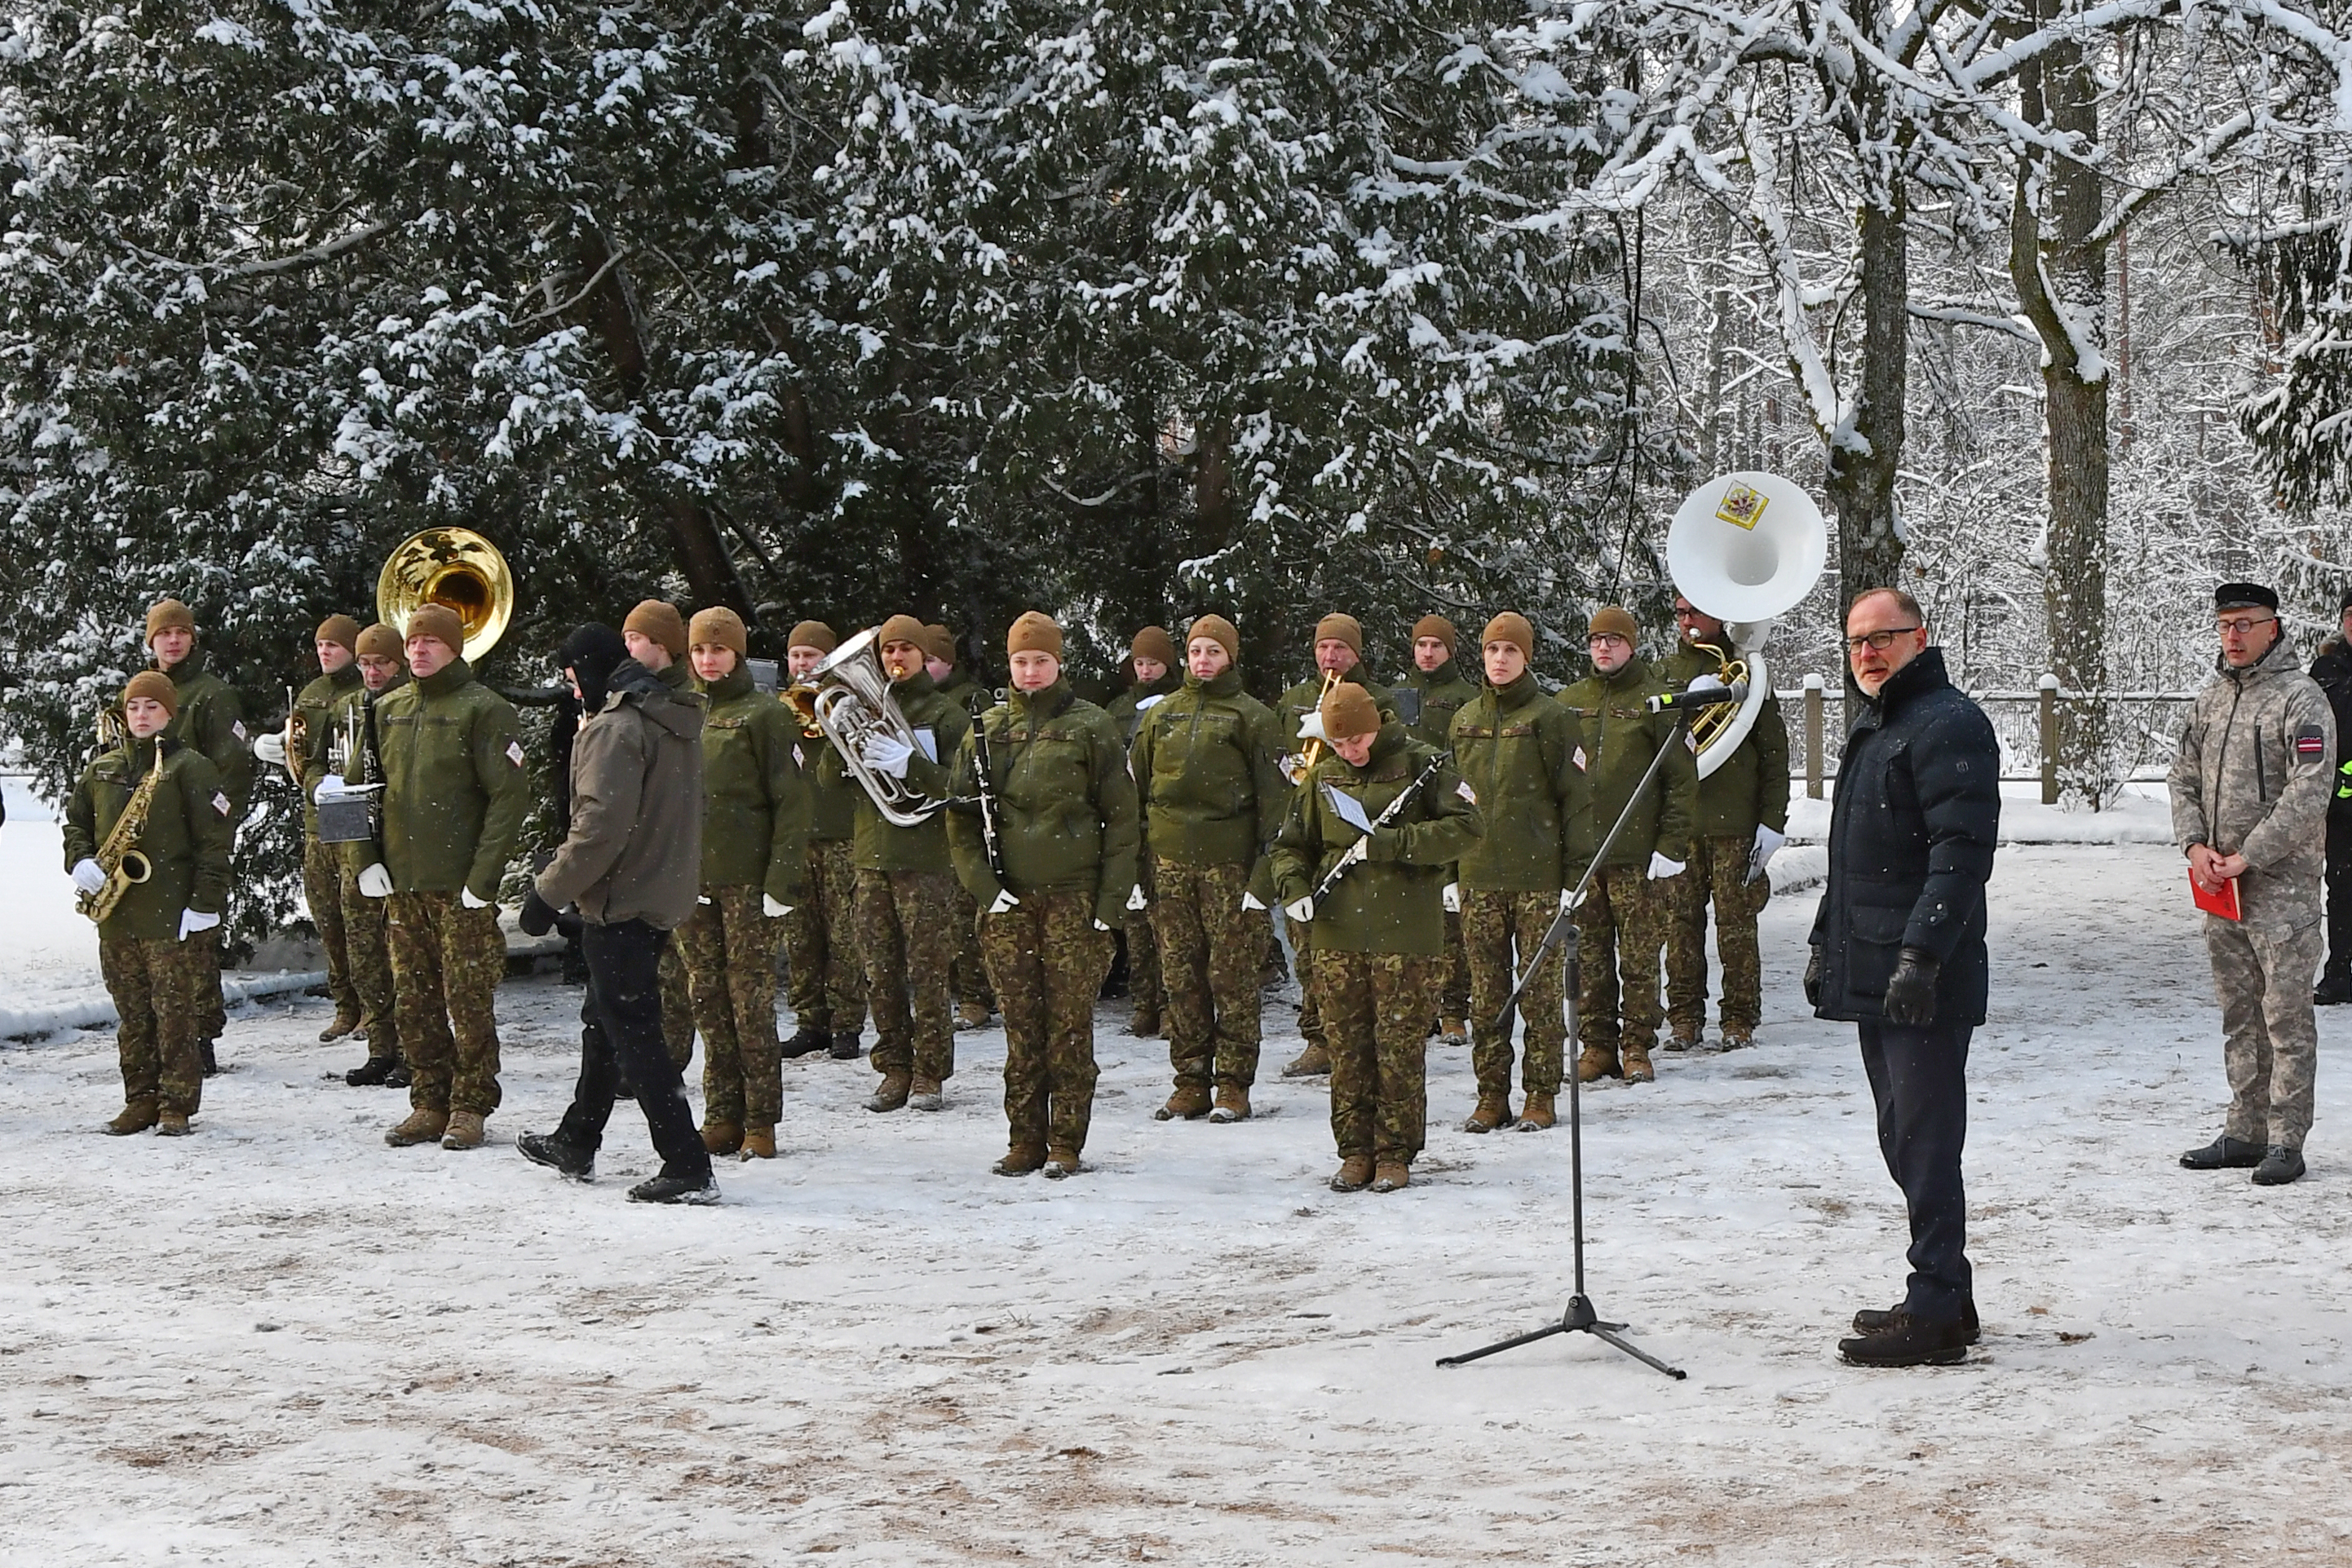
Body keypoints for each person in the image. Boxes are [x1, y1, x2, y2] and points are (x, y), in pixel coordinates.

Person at [1809, 586, 2000, 1368]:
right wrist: (1827, 941)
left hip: (1924, 973)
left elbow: (1961, 855)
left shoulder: (1949, 721)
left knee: (1925, 1140)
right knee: (1901, 1136)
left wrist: (1922, 955)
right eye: (1856, 640)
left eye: (1884, 637)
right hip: (1872, 966)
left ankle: (1933, 1312)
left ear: (1920, 637)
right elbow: (1850, 860)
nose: (1868, 652)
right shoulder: (1878, 723)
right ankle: (1948, 1293)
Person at [516, 625, 716, 1204]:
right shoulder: (669, 717)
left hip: (620, 899)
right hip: (657, 890)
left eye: (572, 676)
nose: (571, 688)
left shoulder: (616, 728)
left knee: (633, 1031)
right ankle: (578, 1136)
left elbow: (599, 828)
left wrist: (547, 893)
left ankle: (685, 1161)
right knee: (605, 1018)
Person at [948, 611, 1138, 1177]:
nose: (1030, 671)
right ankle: (1025, 1138)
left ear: (1059, 663)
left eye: (1041, 660)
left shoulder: (1091, 726)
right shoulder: (985, 727)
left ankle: (1065, 1141)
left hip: (1073, 900)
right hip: (1008, 905)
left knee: (1069, 1026)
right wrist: (984, 888)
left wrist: (1110, 905)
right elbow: (959, 820)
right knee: (1021, 1026)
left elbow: (1123, 820)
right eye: (1020, 661)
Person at [1271, 682, 1480, 1192]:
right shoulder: (1321, 777)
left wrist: (1392, 845)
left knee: (1399, 1048)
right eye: (1340, 743)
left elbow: (1468, 827)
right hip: (1337, 934)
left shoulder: (1421, 764)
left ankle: (1395, 1151)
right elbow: (1289, 846)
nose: (1351, 751)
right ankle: (1354, 1150)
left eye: (1358, 739)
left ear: (1378, 724)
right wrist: (1293, 885)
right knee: (1346, 1048)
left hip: (1405, 933)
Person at [2172, 582, 2334, 1189]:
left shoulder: (2302, 699)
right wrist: (2195, 845)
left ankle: (2287, 1136)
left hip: (2280, 891)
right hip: (2220, 889)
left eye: (2245, 624)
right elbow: (2181, 774)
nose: (2233, 636)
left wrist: (2249, 855)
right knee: (2239, 1012)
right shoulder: (2211, 700)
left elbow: (2309, 791)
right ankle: (2246, 1129)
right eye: (2225, 625)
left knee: (2285, 1016)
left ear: (2273, 627)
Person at [358, 603, 529, 1152]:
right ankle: (428, 1100)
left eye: (431, 642)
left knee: (468, 996)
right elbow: (357, 792)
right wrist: (366, 860)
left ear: (455, 647)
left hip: (460, 886)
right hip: (402, 885)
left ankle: (471, 1104)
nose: (419, 651)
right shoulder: (387, 709)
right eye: (413, 643)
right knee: (414, 997)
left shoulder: (484, 709)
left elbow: (508, 797)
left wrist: (483, 877)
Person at [1129, 614, 1289, 1122]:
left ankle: (1234, 1084)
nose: (1203, 661)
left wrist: (1264, 878)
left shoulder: (1253, 717)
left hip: (1231, 870)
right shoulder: (1161, 715)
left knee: (1233, 977)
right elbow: (1135, 792)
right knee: (1181, 976)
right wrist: (1137, 870)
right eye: (1196, 651)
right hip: (1169, 867)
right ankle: (1190, 1078)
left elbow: (1277, 803)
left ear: (1230, 657)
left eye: (1213, 652)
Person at [64, 673, 234, 1136]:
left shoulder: (190, 767)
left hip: (171, 914)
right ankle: (139, 1098)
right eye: (134, 707)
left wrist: (204, 903)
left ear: (170, 713)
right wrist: (78, 860)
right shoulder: (104, 767)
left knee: (175, 1013)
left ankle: (176, 1104)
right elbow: (76, 822)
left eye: (151, 707)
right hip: (117, 914)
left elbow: (214, 843)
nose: (141, 715)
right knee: (133, 1015)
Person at [677, 606, 808, 1159]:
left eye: (719, 649)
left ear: (737, 652)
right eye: (700, 650)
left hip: (747, 880)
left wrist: (780, 879)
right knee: (707, 997)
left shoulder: (765, 714)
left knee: (749, 1000)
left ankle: (760, 1119)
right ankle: (721, 1112)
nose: (709, 660)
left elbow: (792, 802)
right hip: (691, 880)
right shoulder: (678, 711)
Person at [1450, 612, 1588, 1133]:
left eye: (1511, 651)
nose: (1501, 660)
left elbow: (1576, 802)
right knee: (1487, 994)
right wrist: (1448, 871)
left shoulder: (1552, 718)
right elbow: (1449, 801)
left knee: (1539, 993)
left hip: (1537, 879)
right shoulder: (1463, 718)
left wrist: (1573, 877)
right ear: (1482, 657)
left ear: (1526, 657)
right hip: (1478, 877)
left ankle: (1540, 1093)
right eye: (1492, 651)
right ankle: (1491, 1095)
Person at [1555, 606, 1697, 1085]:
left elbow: (1681, 780)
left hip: (1638, 857)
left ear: (1631, 645)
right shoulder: (1570, 702)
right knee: (1589, 956)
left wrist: (1671, 845)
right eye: (1596, 640)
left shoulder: (1658, 700)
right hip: (1584, 858)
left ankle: (1637, 1044)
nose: (1603, 648)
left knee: (1639, 958)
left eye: (1613, 640)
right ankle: (1596, 1046)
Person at [851, 613, 972, 1113]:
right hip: (871, 858)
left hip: (926, 861)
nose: (894, 659)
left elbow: (966, 789)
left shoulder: (947, 715)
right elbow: (828, 782)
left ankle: (929, 1072)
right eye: (887, 651)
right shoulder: (865, 708)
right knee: (880, 971)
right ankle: (893, 1068)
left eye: (904, 650)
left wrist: (909, 765)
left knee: (927, 970)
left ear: (923, 655)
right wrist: (845, 751)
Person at [1661, 594, 1791, 1051]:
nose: (1687, 621)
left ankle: (1739, 1018)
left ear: (1719, 614)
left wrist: (1772, 821)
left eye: (1695, 611)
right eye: (1680, 613)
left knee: (1736, 929)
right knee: (1680, 927)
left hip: (1736, 825)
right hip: (1681, 825)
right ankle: (1683, 1017)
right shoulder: (1663, 674)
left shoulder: (1750, 674)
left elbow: (1774, 755)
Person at [1275, 613, 1400, 1077]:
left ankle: (1366, 1035)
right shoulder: (1294, 700)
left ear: (1358, 653)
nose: (1331, 657)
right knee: (1308, 947)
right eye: (1324, 647)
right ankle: (1318, 1037)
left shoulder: (1381, 699)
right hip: (1307, 830)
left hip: (1357, 833)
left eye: (1341, 649)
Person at [144, 598, 254, 1076]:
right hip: (146, 838)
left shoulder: (212, 695)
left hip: (195, 835)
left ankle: (202, 1033)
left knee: (197, 934)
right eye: (163, 634)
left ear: (192, 639)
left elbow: (232, 771)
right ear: (151, 641)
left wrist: (214, 831)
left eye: (180, 633)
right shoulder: (141, 692)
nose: (172, 641)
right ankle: (160, 1032)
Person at [254, 616, 365, 1042]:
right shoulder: (312, 694)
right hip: (316, 817)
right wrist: (281, 750)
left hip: (352, 814)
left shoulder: (364, 691)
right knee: (329, 917)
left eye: (334, 645)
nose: (325, 652)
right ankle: (345, 1005)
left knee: (361, 921)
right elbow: (302, 754)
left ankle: (373, 1010)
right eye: (320, 645)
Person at [780, 621, 869, 1061]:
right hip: (796, 840)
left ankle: (847, 1023)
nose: (802, 664)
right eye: (795, 656)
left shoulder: (851, 706)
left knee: (844, 938)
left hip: (842, 837)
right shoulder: (779, 713)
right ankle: (809, 1021)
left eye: (810, 656)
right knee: (801, 937)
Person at [623, 600, 700, 1075]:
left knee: (685, 972)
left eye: (636, 640)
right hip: (655, 851)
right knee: (657, 970)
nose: (627, 648)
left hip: (687, 851)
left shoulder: (686, 703)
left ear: (662, 646)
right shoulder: (636, 699)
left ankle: (668, 1064)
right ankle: (656, 1065)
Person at [333, 624, 410, 1086]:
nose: (372, 671)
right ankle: (381, 1046)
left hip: (402, 851)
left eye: (381, 662)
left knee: (405, 961)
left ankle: (410, 1051)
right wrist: (356, 859)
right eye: (363, 663)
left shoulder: (402, 708)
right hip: (362, 853)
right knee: (364, 953)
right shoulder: (357, 707)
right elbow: (347, 786)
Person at [1399, 614, 1480, 1042]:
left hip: (1446, 811)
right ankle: (1421, 1005)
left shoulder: (1466, 697)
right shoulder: (1398, 696)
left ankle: (1453, 1008)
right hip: (1407, 818)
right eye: (1421, 645)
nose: (1427, 653)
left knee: (1452, 923)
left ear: (1451, 650)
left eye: (1436, 645)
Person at [1107, 626, 1183, 1037]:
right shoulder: (1119, 708)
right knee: (1135, 920)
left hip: (1162, 818)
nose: (1147, 668)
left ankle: (1172, 1004)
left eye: (1154, 661)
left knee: (1167, 924)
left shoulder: (1177, 704)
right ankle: (1145, 1001)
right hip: (1127, 816)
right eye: (1140, 662)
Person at [924, 621, 995, 1032]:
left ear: (949, 663)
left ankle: (975, 995)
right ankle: (956, 990)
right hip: (924, 823)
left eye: (932, 659)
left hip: (961, 816)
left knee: (966, 914)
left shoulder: (969, 701)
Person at [2306, 587, 2352, 1005]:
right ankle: (2340, 971)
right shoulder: (2327, 667)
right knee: (2341, 889)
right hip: (2341, 806)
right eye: (2350, 613)